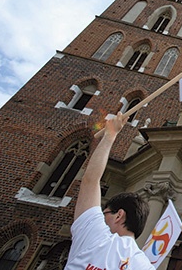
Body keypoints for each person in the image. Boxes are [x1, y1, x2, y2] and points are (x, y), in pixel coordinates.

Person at [65, 112, 154, 269]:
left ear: (119, 215)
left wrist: (110, 135)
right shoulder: (145, 267)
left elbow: (90, 180)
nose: (101, 218)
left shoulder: (95, 235)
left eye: (104, 213)